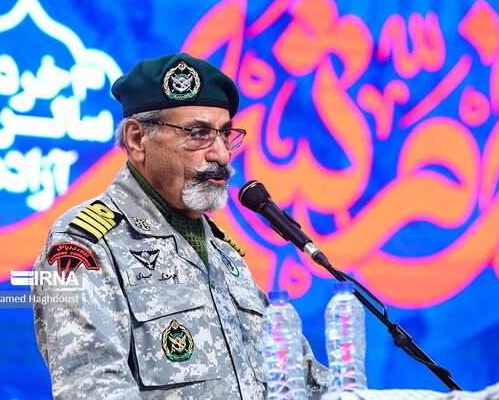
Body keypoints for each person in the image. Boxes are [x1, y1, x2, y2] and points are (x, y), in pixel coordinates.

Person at [32, 53, 328, 399]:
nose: (221, 154)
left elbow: (302, 380)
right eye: (199, 134)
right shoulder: (85, 244)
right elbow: (93, 389)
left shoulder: (223, 252)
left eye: (225, 134)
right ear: (137, 139)